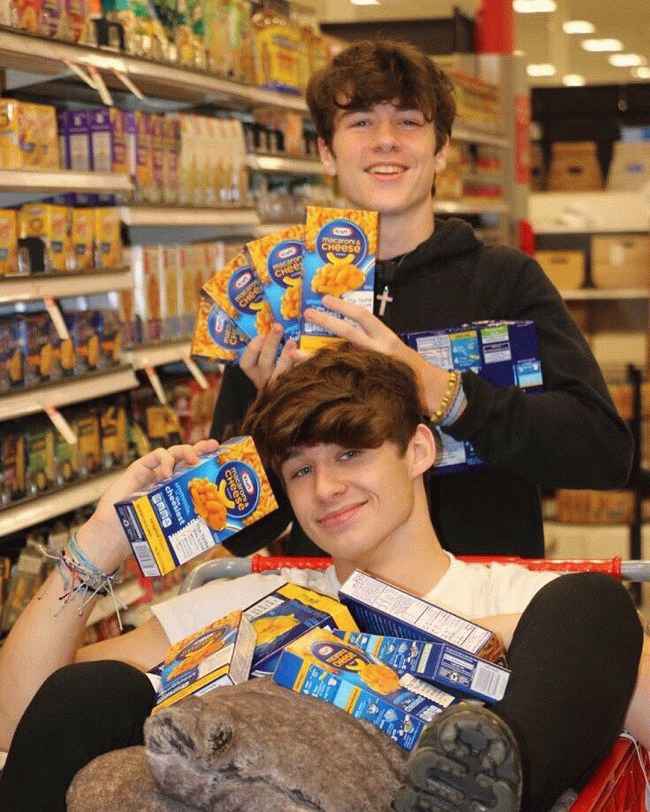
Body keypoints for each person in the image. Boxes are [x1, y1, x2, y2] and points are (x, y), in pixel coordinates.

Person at [0, 344, 646, 812]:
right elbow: (20, 719)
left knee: (594, 603)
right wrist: (99, 544)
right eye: (301, 470)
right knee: (95, 688)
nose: (327, 488)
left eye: (351, 453)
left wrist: (429, 642)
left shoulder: (530, 605)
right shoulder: (246, 604)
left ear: (419, 450)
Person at [213, 38, 633, 562]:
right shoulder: (283, 298)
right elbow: (237, 534)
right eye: (360, 122)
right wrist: (265, 414)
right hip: (337, 605)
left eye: (409, 121)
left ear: (441, 150)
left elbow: (603, 452)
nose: (385, 141)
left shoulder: (505, 280)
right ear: (326, 152)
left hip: (485, 596)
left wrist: (441, 390)